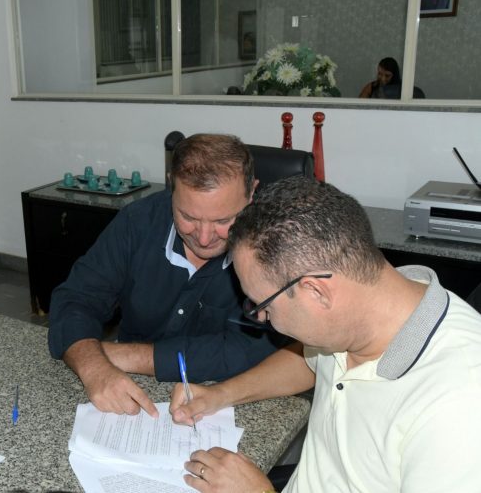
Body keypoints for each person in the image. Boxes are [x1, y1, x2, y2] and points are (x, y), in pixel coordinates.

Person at [169, 176, 481, 492]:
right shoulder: (362, 308)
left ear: (316, 292)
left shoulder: (459, 405)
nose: (262, 317)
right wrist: (221, 395)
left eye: (264, 306)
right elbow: (310, 362)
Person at [48, 134, 282, 418]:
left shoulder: (274, 244)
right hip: (126, 384)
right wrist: (94, 366)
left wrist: (128, 356)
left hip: (231, 398)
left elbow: (254, 349)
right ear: (171, 185)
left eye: (223, 221)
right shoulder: (137, 222)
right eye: (189, 217)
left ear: (252, 193)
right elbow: (76, 298)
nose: (204, 238)